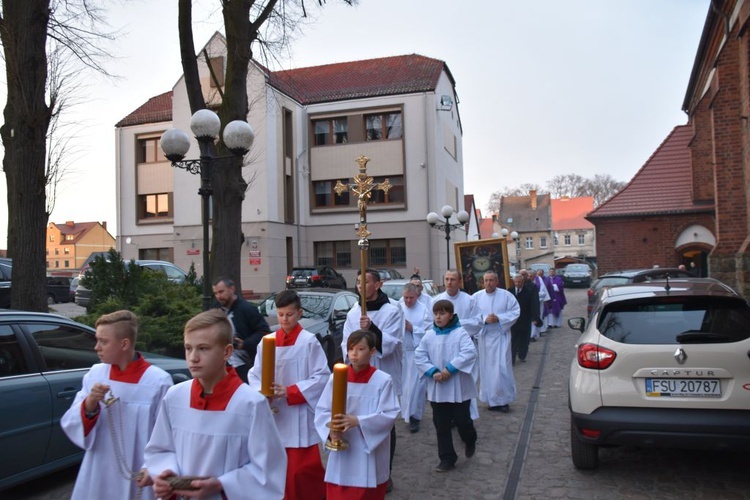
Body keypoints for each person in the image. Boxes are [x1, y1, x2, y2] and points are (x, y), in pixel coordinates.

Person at [145, 309, 286, 499]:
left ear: (227, 352)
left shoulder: (250, 404)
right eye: (188, 348)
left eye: (203, 348)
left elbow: (268, 470)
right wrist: (165, 474)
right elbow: (160, 449)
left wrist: (222, 485)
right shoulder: (175, 397)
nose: (193, 357)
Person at [61, 310, 173, 500]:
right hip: (99, 467)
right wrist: (90, 403)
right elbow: (73, 422)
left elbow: (166, 435)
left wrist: (155, 466)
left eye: (103, 341)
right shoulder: (96, 374)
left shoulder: (157, 381)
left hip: (138, 470)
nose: (97, 347)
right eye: (97, 340)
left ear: (124, 344)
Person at [248, 290, 330, 500]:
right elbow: (255, 374)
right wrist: (262, 393)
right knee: (278, 472)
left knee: (301, 472)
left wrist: (290, 391)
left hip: (299, 416)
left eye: (290, 314)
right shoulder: (267, 342)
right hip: (275, 416)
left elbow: (321, 377)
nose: (285, 319)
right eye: (281, 314)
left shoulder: (308, 341)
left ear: (299, 313)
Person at [314, 330, 400, 499]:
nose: (354, 353)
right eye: (351, 348)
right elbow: (323, 410)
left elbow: (389, 414)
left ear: (372, 352)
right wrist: (331, 432)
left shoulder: (382, 380)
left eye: (360, 349)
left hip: (368, 450)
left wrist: (358, 421)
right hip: (343, 448)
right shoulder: (336, 378)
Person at [342, 268, 403, 491]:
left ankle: (385, 473)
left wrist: (372, 328)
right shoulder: (353, 313)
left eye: (365, 282)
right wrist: (353, 357)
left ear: (377, 285)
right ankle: (359, 469)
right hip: (359, 375)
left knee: (384, 422)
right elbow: (345, 344)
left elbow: (390, 344)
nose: (360, 286)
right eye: (357, 282)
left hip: (382, 372)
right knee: (359, 420)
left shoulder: (392, 310)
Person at [414, 300, 478, 473]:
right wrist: (432, 371)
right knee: (441, 424)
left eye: (442, 313)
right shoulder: (429, 335)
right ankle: (447, 457)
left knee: (461, 420)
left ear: (450, 315)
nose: (438, 317)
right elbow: (419, 355)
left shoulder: (460, 333)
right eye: (436, 314)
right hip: (438, 387)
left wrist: (450, 369)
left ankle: (469, 436)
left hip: (458, 387)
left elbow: (469, 352)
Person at [432, 269, 483, 419]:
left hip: (463, 349)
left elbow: (477, 323)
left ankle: (466, 415)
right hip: (441, 349)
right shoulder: (435, 300)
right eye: (447, 279)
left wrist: (454, 325)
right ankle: (449, 415)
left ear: (460, 282)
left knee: (464, 383)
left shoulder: (470, 300)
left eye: (453, 279)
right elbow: (428, 324)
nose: (449, 282)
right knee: (446, 382)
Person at [473, 270, 520, 413]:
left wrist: (499, 318)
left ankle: (503, 400)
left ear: (497, 281)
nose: (488, 283)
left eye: (491, 280)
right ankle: (491, 400)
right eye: (486, 280)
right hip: (485, 337)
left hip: (501, 336)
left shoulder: (506, 296)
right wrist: (484, 320)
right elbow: (471, 316)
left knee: (502, 368)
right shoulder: (476, 297)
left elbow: (515, 311)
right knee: (487, 370)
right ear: (483, 282)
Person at [212, 276, 271, 382]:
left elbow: (264, 331)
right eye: (216, 293)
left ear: (232, 289)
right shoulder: (215, 308)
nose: (218, 296)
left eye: (221, 292)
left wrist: (244, 344)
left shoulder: (247, 309)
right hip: (223, 362)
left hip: (245, 363)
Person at [399, 283, 431, 433]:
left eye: (411, 298)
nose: (408, 301)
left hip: (417, 353)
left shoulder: (424, 309)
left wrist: (413, 329)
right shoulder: (398, 308)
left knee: (416, 388)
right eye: (405, 298)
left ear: (416, 296)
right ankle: (405, 413)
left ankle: (415, 417)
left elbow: (429, 332)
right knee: (404, 387)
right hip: (401, 353)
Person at [508, 274, 541, 364]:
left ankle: (522, 355)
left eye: (519, 282)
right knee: (513, 340)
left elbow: (534, 304)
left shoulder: (528, 291)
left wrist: (535, 317)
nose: (517, 283)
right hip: (513, 320)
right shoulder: (509, 291)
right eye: (516, 282)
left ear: (523, 282)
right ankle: (512, 359)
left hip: (525, 318)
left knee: (524, 339)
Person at [530, 270, 550, 340]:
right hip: (528, 304)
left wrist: (535, 296)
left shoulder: (539, 280)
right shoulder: (524, 282)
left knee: (536, 318)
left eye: (531, 276)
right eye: (529, 276)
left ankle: (533, 335)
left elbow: (543, 292)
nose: (530, 278)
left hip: (537, 303)